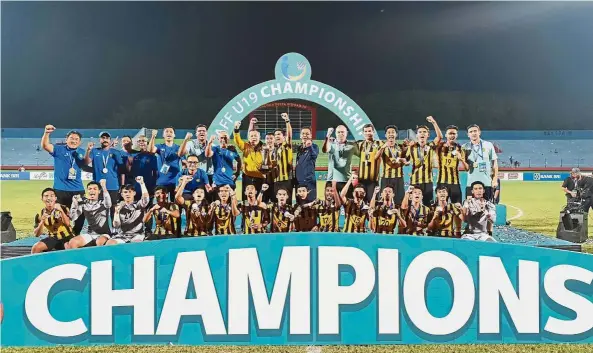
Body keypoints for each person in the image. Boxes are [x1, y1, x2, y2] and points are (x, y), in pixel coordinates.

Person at [40, 125, 87, 234]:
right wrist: (47, 133)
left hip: (77, 189)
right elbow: (45, 145)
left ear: (80, 142)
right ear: (67, 139)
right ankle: (60, 235)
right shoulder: (58, 149)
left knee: (81, 214)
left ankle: (75, 234)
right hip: (60, 189)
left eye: (76, 139)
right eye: (71, 138)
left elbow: (88, 163)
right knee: (58, 214)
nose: (74, 141)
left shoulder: (82, 152)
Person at [84, 131, 124, 219]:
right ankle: (101, 229)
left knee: (114, 209)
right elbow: (86, 162)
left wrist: (122, 185)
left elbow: (121, 170)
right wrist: (88, 150)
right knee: (99, 209)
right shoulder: (94, 151)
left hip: (113, 185)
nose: (105, 140)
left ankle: (115, 229)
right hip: (98, 187)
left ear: (110, 140)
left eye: (107, 138)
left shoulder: (116, 152)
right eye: (103, 138)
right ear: (100, 140)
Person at [405, 116, 443, 206]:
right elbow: (405, 160)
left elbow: (440, 137)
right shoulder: (412, 147)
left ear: (428, 135)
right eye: (420, 132)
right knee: (413, 206)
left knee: (428, 206)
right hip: (415, 182)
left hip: (428, 182)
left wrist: (434, 122)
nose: (422, 134)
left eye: (424, 132)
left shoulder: (431, 146)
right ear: (417, 135)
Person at [67, 180, 112, 249]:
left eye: (95, 189)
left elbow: (108, 201)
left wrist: (104, 187)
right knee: (72, 242)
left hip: (103, 234)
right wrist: (74, 204)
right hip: (88, 233)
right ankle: (78, 259)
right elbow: (72, 217)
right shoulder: (84, 204)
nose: (92, 191)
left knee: (99, 242)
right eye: (90, 189)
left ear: (99, 191)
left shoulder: (103, 203)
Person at [106, 176, 150, 245]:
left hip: (137, 235)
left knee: (135, 244)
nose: (127, 194)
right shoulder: (119, 207)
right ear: (122, 194)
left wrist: (142, 183)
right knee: (110, 243)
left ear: (134, 193)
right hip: (122, 235)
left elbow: (146, 199)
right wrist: (117, 212)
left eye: (130, 192)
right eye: (125, 192)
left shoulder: (139, 205)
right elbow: (116, 225)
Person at [32, 188, 74, 253]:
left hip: (67, 237)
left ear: (55, 198)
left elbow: (68, 223)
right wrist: (42, 221)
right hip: (53, 238)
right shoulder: (40, 214)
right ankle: (35, 263)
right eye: (46, 196)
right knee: (36, 248)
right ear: (42, 199)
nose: (49, 198)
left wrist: (61, 211)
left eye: (51, 196)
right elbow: (37, 234)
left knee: (68, 248)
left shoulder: (63, 208)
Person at [463, 124, 499, 201]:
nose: (473, 133)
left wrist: (495, 179)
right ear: (468, 135)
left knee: (487, 208)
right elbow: (465, 167)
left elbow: (494, 163)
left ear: (479, 132)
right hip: (471, 183)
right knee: (470, 209)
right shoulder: (464, 147)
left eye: (475, 131)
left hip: (486, 183)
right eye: (471, 132)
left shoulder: (488, 145)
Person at [433, 125, 468, 204]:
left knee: (457, 207)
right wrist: (434, 122)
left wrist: (461, 159)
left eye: (454, 134)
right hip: (441, 182)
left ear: (457, 135)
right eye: (450, 133)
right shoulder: (439, 146)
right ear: (446, 135)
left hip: (455, 183)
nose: (452, 135)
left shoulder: (460, 148)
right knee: (440, 207)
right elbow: (438, 137)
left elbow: (467, 168)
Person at [148, 127, 184, 201]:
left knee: (175, 203)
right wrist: (153, 136)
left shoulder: (178, 148)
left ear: (174, 135)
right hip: (162, 180)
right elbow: (150, 150)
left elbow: (184, 162)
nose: (169, 133)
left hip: (175, 180)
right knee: (161, 202)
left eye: (171, 132)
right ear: (163, 135)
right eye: (166, 131)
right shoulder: (159, 146)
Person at [375, 125, 408, 205]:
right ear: (386, 135)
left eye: (393, 132)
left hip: (398, 178)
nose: (391, 134)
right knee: (384, 201)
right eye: (389, 132)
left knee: (399, 201)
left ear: (396, 134)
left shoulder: (400, 147)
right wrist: (383, 147)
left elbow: (406, 161)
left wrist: (405, 161)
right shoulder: (382, 147)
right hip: (386, 178)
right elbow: (376, 157)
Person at [323, 125, 357, 199]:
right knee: (331, 205)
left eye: (342, 132)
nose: (340, 134)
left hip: (346, 180)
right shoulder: (330, 143)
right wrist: (328, 136)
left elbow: (362, 155)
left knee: (347, 205)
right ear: (335, 133)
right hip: (332, 180)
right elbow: (324, 150)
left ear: (346, 133)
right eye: (338, 132)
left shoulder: (352, 145)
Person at [233, 120, 265, 196]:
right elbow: (237, 140)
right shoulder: (245, 146)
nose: (253, 137)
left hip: (261, 178)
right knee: (246, 198)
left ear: (259, 137)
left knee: (260, 198)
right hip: (247, 177)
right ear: (248, 138)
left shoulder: (265, 148)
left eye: (255, 136)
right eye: (251, 136)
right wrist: (236, 129)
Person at [183, 124, 214, 197]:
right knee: (196, 197)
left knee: (208, 198)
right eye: (199, 131)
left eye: (203, 131)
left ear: (206, 133)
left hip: (209, 175)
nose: (201, 132)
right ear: (196, 133)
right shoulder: (190, 144)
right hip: (196, 175)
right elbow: (182, 153)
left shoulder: (212, 145)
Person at [355, 124, 383, 202]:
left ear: (373, 132)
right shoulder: (359, 144)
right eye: (366, 131)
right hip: (361, 180)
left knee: (372, 202)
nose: (368, 133)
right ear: (363, 133)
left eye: (369, 131)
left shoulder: (379, 144)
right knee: (360, 202)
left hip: (373, 180)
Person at [272, 113, 294, 201]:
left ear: (283, 136)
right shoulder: (273, 149)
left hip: (286, 180)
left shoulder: (286, 145)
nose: (277, 136)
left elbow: (289, 135)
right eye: (275, 135)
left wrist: (287, 121)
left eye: (279, 134)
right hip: (275, 180)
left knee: (287, 204)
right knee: (276, 204)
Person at [295, 127, 319, 203]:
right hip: (299, 181)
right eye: (303, 133)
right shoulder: (299, 148)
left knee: (310, 204)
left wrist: (310, 147)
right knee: (299, 205)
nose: (305, 135)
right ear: (300, 136)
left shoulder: (314, 146)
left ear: (311, 136)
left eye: (307, 134)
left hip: (309, 181)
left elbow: (314, 156)